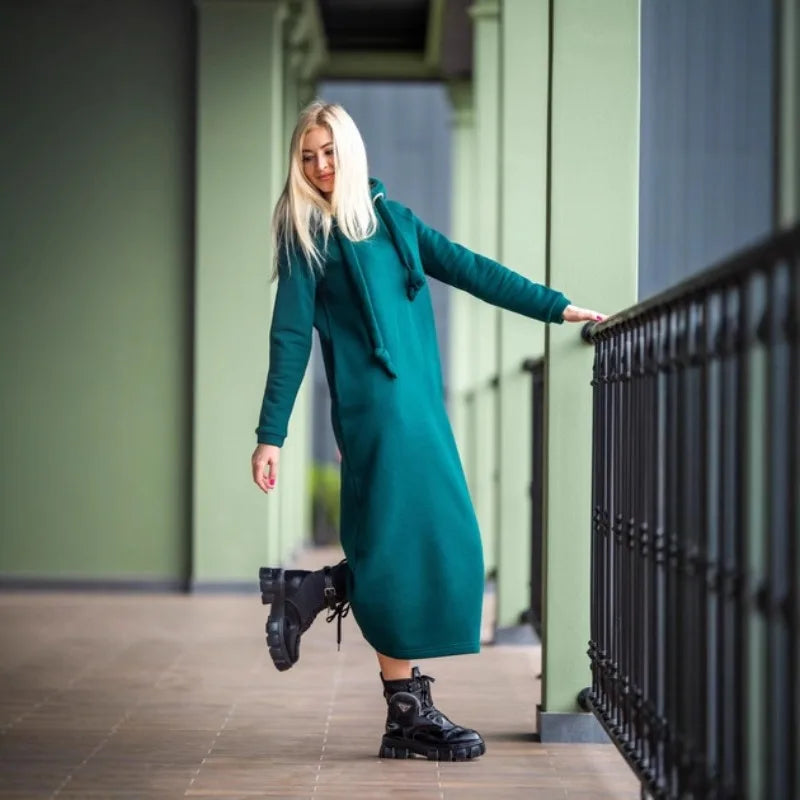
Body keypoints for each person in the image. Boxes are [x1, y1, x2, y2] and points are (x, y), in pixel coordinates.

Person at [251, 101, 607, 762]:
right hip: (375, 415)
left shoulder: (394, 220)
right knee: (396, 546)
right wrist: (271, 434)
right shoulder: (306, 238)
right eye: (308, 156)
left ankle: (314, 592)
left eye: (329, 152)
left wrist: (556, 307)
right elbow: (290, 339)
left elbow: (471, 269)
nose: (321, 166)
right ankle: (407, 713)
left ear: (350, 152)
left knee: (445, 540)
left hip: (421, 411)